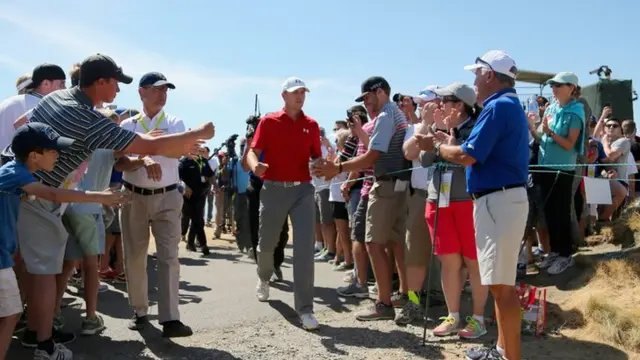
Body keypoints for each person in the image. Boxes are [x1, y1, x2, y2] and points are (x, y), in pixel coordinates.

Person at [16, 54, 213, 359]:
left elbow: (21, 125)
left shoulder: (58, 97)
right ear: (101, 82)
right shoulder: (89, 118)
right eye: (116, 83)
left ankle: (33, 331)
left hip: (24, 188)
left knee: (29, 268)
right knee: (44, 274)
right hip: (37, 197)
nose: (118, 92)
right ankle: (43, 345)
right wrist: (198, 134)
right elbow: (148, 146)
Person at [415, 50, 529, 360]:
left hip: (498, 201)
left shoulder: (498, 107)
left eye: (477, 74)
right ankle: (502, 351)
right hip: (499, 200)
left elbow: (467, 155)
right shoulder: (503, 105)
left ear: (490, 75)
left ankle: (508, 357)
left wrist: (437, 146)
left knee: (502, 287)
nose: (475, 81)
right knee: (497, 284)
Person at [2, 123, 127, 360]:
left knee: (10, 315)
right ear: (33, 156)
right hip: (1, 258)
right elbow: (52, 194)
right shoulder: (17, 173)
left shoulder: (17, 173)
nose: (58, 156)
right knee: (9, 314)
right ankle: (45, 349)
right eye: (52, 151)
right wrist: (99, 195)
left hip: (4, 256)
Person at [314, 76, 410, 321]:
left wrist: (338, 169)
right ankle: (401, 295)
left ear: (379, 92)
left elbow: (372, 156)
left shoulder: (387, 116)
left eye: (367, 97)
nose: (366, 104)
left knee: (374, 243)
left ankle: (383, 303)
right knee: (394, 244)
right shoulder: (393, 113)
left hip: (385, 186)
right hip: (397, 186)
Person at [119, 71, 206, 337]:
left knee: (169, 256)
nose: (162, 93)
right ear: (141, 92)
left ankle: (170, 319)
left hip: (168, 195)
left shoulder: (176, 123)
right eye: (157, 89)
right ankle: (140, 310)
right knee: (134, 256)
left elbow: (178, 150)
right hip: (133, 195)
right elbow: (118, 161)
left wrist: (149, 146)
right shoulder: (127, 126)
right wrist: (147, 152)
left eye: (165, 89)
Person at [246, 77, 321, 330]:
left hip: (302, 190)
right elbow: (252, 151)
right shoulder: (268, 121)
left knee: (303, 249)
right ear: (284, 96)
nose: (300, 96)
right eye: (295, 92)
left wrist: (322, 165)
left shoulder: (311, 125)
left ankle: (305, 309)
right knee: (267, 243)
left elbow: (316, 157)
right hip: (274, 189)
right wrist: (256, 166)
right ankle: (264, 277)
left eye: (303, 92)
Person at [418, 83, 489, 339]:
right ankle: (453, 316)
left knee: (473, 262)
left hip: (467, 202)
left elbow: (468, 158)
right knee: (449, 262)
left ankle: (478, 319)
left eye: (445, 99)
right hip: (439, 201)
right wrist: (431, 127)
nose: (439, 103)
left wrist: (450, 140)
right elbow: (425, 158)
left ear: (459, 104)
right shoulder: (440, 125)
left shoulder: (477, 127)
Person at [533, 72, 585, 275]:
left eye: (558, 85)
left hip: (562, 170)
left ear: (572, 88)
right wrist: (531, 128)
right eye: (552, 85)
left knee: (561, 213)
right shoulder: (551, 109)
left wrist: (550, 133)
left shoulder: (576, 112)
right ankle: (555, 252)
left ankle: (565, 255)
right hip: (545, 167)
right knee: (549, 212)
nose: (554, 88)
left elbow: (570, 144)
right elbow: (540, 136)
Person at [179, 148, 214, 255]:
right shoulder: (184, 161)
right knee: (192, 218)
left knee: (197, 219)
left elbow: (210, 174)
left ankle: (199, 244)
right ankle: (197, 243)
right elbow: (178, 178)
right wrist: (185, 186)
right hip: (187, 196)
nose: (196, 150)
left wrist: (213, 186)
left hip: (200, 195)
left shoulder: (202, 161)